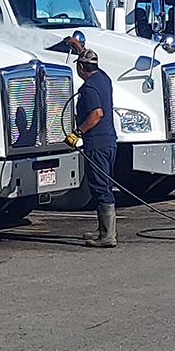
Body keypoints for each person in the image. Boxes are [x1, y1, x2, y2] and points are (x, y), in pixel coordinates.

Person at [66, 42, 119, 247]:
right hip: (109, 142)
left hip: (96, 144)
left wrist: (78, 132)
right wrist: (79, 47)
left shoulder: (88, 88)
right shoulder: (103, 78)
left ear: (80, 68)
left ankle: (107, 237)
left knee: (100, 187)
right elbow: (89, 62)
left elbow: (97, 113)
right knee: (105, 184)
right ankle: (104, 230)